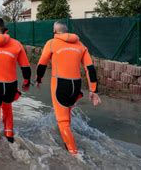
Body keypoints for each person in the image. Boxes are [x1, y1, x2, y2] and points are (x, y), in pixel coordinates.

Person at [36, 21, 101, 155]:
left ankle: (74, 154)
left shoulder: (52, 43)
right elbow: (90, 69)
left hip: (60, 84)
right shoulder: (80, 45)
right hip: (75, 86)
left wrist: (39, 79)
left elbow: (41, 64)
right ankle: (67, 141)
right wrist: (93, 90)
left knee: (63, 121)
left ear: (55, 31)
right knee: (67, 114)